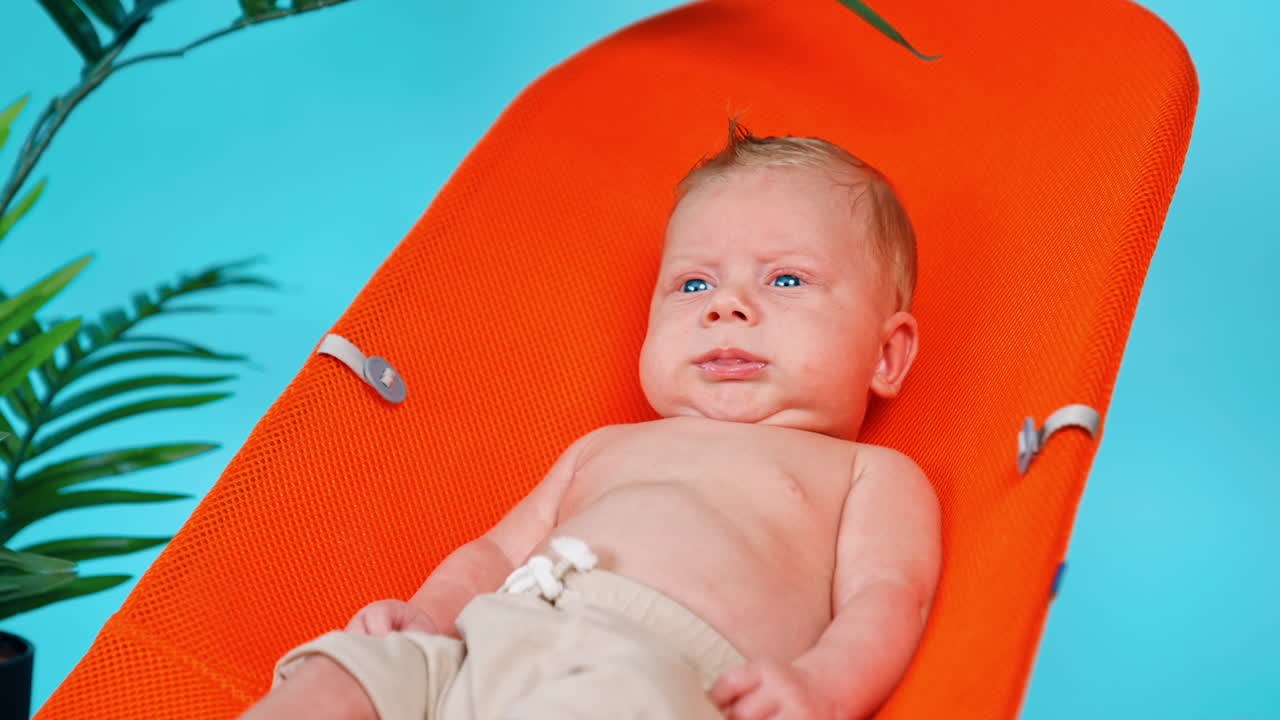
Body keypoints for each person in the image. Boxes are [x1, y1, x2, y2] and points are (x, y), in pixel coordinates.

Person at [241, 121, 941, 720]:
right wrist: (426, 618)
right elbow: (496, 554)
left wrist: (822, 689)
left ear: (886, 354)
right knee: (341, 671)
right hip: (480, 641)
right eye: (693, 283)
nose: (724, 305)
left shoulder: (869, 473)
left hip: (658, 674)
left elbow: (887, 597)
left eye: (785, 279)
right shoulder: (603, 448)